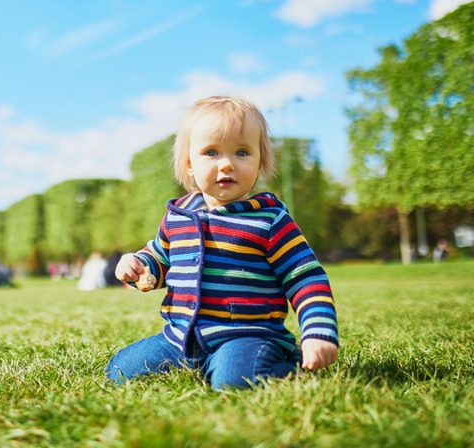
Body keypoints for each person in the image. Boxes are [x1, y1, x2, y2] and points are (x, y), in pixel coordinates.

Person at [106, 96, 339, 390]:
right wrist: (140, 264)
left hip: (246, 334)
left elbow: (305, 277)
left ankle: (287, 361)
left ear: (260, 162)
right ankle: (204, 362)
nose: (227, 164)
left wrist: (318, 331)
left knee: (232, 381)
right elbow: (161, 257)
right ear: (190, 165)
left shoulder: (269, 220)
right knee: (119, 371)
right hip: (182, 337)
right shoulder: (178, 216)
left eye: (242, 152)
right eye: (211, 152)